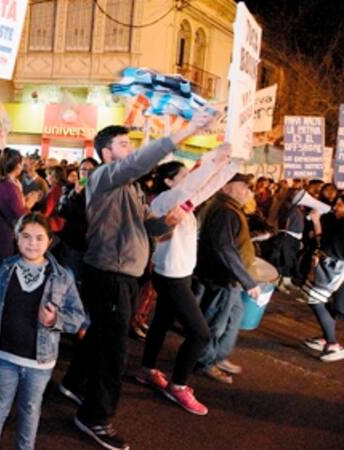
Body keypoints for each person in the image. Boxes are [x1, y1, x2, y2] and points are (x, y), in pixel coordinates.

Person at [66, 110, 212, 450]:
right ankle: (95, 418)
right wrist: (185, 131)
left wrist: (171, 221)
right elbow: (137, 164)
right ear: (106, 153)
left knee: (101, 337)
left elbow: (151, 227)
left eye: (131, 143)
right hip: (111, 274)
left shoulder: (131, 188)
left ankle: (73, 383)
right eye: (123, 144)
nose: (130, 149)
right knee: (115, 353)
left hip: (126, 276)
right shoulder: (103, 177)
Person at [135, 144, 233, 416]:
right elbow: (195, 186)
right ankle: (178, 386)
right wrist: (214, 159)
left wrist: (233, 162)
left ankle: (147, 369)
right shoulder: (163, 201)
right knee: (200, 334)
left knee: (161, 323)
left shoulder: (183, 204)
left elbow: (205, 188)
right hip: (171, 276)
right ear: (168, 181)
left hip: (179, 274)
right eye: (182, 175)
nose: (188, 179)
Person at [0, 213, 88, 450]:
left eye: (39, 238)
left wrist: (54, 319)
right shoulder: (7, 268)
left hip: (40, 362)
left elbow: (79, 317)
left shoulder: (61, 275)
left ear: (49, 240)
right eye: (26, 236)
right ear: (17, 238)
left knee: (30, 411)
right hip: (4, 354)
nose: (32, 243)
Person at [194, 173, 260, 384]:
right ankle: (206, 362)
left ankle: (218, 355)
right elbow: (224, 248)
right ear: (226, 188)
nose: (248, 191)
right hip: (223, 278)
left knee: (233, 317)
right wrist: (247, 281)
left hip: (231, 279)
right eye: (244, 186)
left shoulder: (229, 209)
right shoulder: (224, 211)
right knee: (216, 322)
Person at [0, 149, 41, 282]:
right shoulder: (7, 187)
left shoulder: (4, 183)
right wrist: (30, 204)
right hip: (3, 244)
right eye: (21, 163)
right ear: (17, 165)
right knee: (0, 286)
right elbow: (20, 217)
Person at [302, 195, 344, 362]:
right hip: (327, 265)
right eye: (336, 203)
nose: (336, 207)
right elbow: (322, 242)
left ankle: (333, 344)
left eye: (341, 204)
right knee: (320, 300)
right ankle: (328, 336)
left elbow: (324, 244)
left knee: (315, 299)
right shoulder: (339, 223)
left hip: (334, 267)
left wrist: (316, 222)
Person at [55, 157, 99, 283]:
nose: (86, 172)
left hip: (93, 245)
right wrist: (75, 194)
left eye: (91, 170)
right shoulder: (69, 189)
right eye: (83, 169)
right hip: (73, 244)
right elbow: (62, 211)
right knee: (70, 280)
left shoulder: (101, 192)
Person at [41, 165, 67, 233]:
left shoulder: (54, 190)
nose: (46, 178)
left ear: (54, 176)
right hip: (62, 224)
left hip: (53, 225)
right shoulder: (63, 187)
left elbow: (47, 210)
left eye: (48, 175)